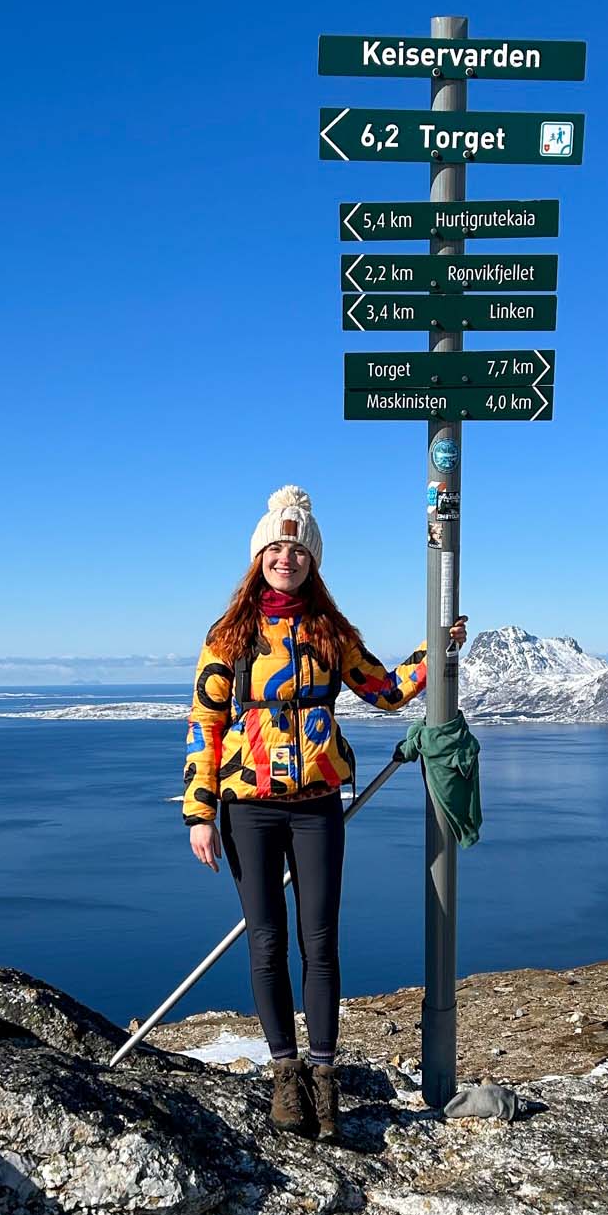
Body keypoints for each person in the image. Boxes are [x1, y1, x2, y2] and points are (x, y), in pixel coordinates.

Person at [182, 484, 467, 1142]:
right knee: (266, 940)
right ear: (259, 558)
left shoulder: (330, 632)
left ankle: (323, 1074)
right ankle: (285, 1075)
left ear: (312, 561)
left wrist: (436, 647)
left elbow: (386, 690)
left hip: (316, 804)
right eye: (275, 550)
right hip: (247, 806)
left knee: (320, 939)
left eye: (298, 551)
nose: (286, 559)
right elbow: (205, 722)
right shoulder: (228, 636)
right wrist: (200, 812)